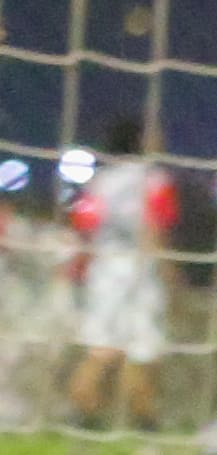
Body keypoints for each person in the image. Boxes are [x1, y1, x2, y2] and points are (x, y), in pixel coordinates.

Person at [64, 118, 174, 432]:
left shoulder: (101, 181)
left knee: (102, 346)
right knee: (143, 346)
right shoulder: (155, 179)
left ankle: (82, 413)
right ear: (140, 140)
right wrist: (169, 271)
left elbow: (85, 225)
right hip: (141, 271)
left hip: (105, 271)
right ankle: (144, 419)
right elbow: (155, 227)